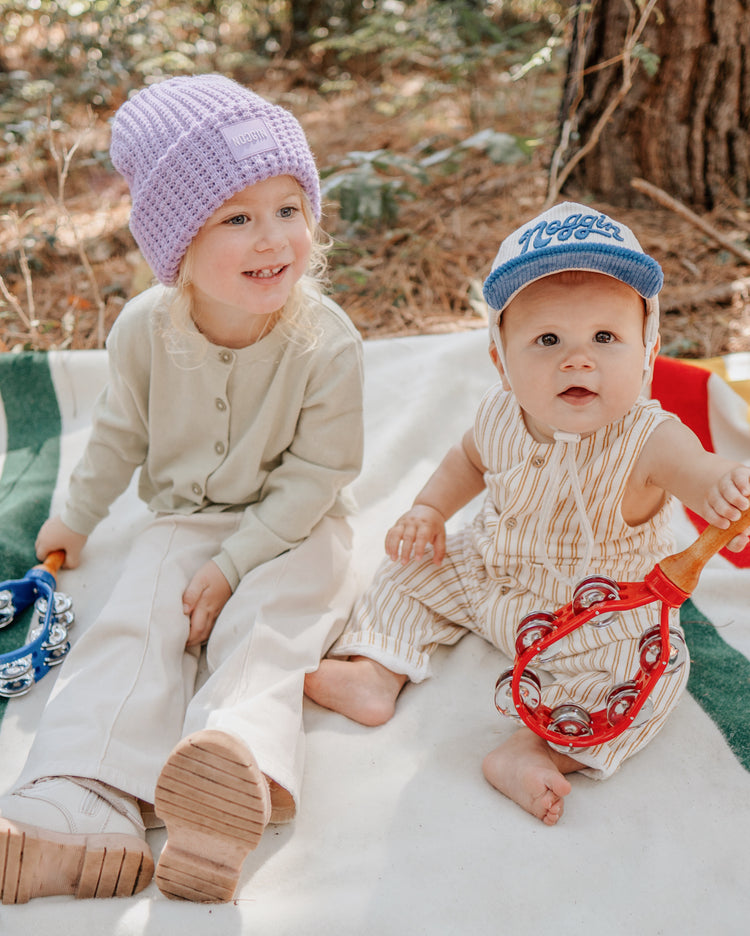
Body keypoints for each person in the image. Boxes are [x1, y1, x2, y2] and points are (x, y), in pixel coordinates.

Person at [0, 74, 364, 904]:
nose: (273, 238)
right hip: (184, 518)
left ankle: (227, 774)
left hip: (298, 526)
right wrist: (77, 516)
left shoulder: (325, 341)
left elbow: (320, 474)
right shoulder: (144, 330)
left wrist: (235, 565)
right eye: (237, 218)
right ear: (176, 245)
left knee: (266, 627)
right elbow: (119, 433)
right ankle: (81, 797)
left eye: (288, 209)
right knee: (135, 625)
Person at [305, 201, 750, 827]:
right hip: (493, 574)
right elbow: (467, 459)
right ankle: (376, 670)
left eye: (605, 338)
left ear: (647, 352)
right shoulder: (500, 415)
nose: (577, 359)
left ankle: (534, 748)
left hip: (601, 614)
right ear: (500, 359)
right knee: (411, 570)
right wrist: (430, 509)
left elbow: (698, 472)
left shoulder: (649, 436)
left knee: (650, 674)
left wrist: (723, 486)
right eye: (547, 340)